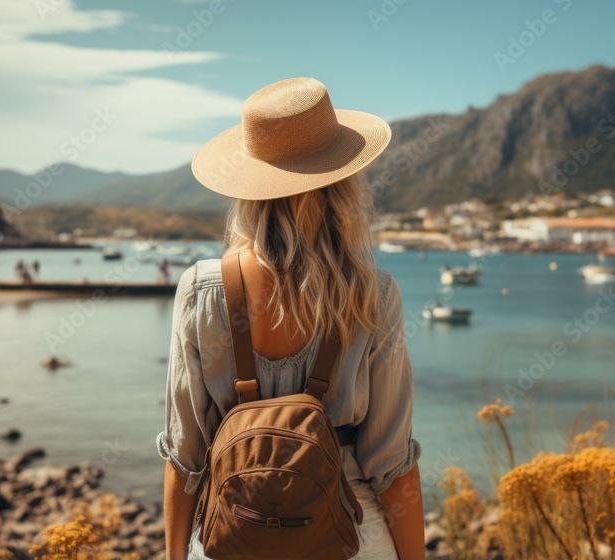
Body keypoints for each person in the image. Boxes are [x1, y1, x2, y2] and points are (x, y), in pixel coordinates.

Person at [158, 78, 423, 560]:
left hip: (233, 534)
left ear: (247, 188)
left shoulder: (200, 290)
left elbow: (186, 458)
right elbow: (392, 466)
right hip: (351, 536)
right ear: (344, 185)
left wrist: (177, 555)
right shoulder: (375, 294)